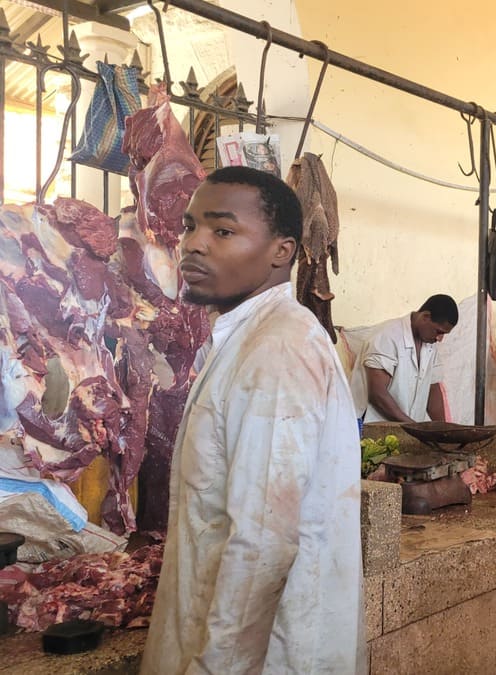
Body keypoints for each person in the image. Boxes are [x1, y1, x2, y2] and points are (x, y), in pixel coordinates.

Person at [142, 167, 364, 673]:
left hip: (259, 657)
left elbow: (264, 540)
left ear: (281, 252)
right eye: (189, 226)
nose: (194, 245)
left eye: (222, 231)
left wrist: (216, 667)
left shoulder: (277, 348)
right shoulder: (250, 335)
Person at [355, 294, 457, 424]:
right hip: (371, 429)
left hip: (405, 430)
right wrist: (412, 426)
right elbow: (377, 394)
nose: (440, 339)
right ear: (425, 316)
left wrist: (444, 430)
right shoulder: (387, 337)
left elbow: (433, 390)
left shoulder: (430, 346)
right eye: (439, 331)